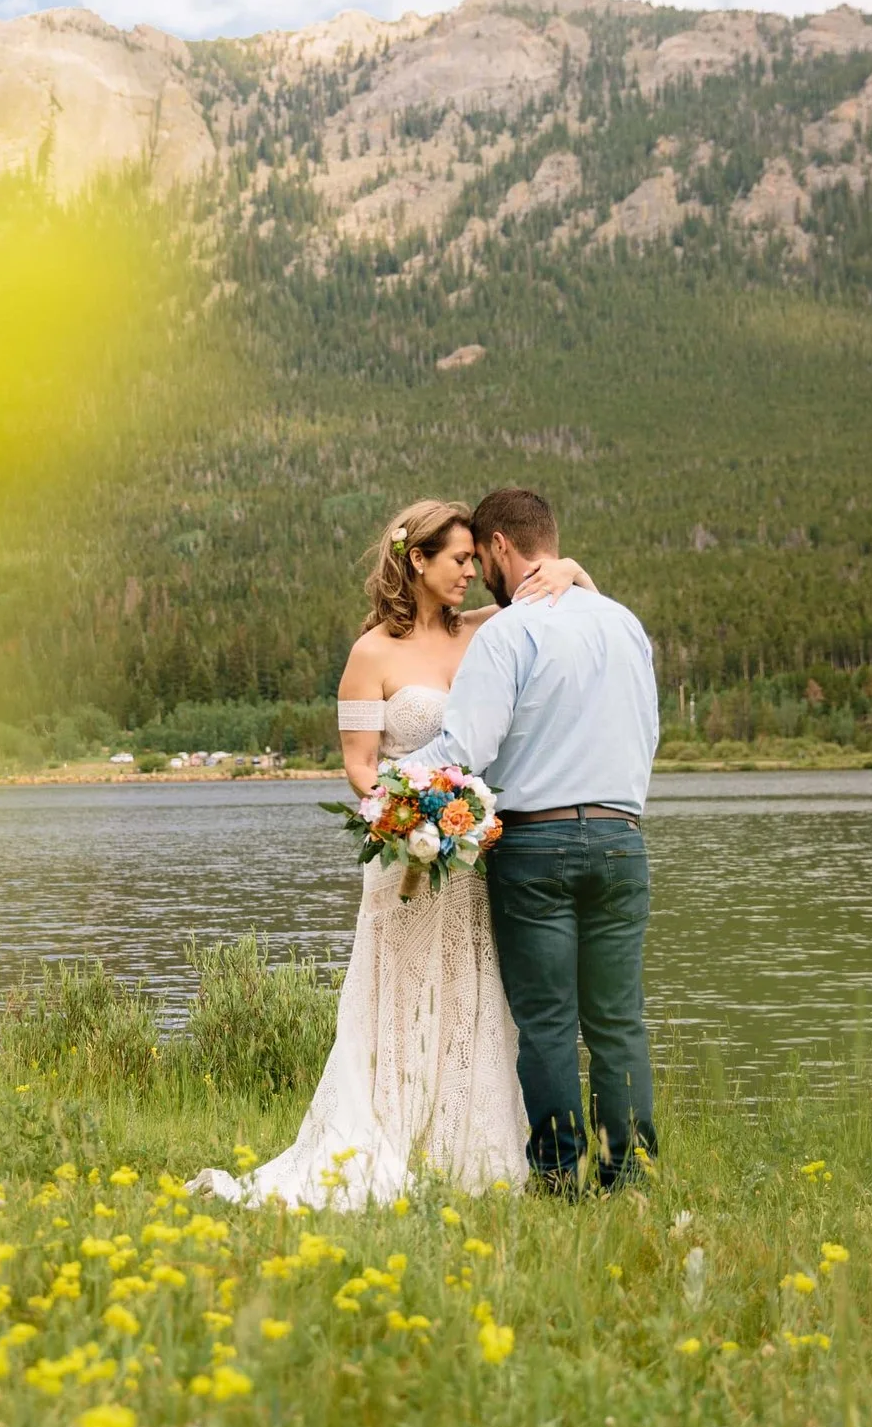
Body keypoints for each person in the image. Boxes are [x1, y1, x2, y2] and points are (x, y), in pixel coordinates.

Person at [191, 499, 596, 1208]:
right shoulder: (370, 652)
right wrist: (410, 816)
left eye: (476, 558)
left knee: (471, 987)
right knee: (400, 989)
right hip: (402, 850)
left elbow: (583, 602)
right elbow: (358, 764)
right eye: (458, 560)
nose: (472, 572)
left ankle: (467, 1149)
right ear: (417, 561)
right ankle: (388, 1133)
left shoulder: (484, 631)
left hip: (470, 853)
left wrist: (567, 565)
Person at [397, 487, 660, 1195]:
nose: (480, 573)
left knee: (546, 1024)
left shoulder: (509, 633)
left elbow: (464, 746)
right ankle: (628, 1177)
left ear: (502, 548)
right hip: (621, 840)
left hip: (537, 849)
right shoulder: (626, 624)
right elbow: (648, 735)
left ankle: (559, 1179)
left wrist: (390, 786)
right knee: (617, 1022)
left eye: (480, 558)